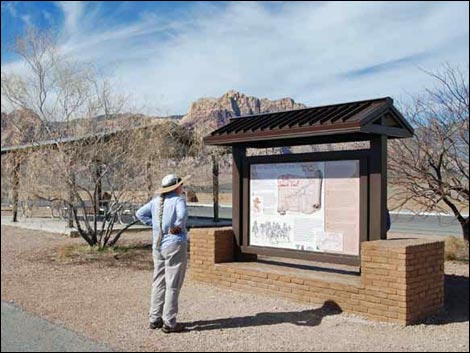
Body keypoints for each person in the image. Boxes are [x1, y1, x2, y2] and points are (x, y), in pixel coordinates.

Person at [136, 174, 190, 334]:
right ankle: (169, 322)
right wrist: (177, 227)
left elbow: (140, 213)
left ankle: (154, 318)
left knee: (158, 281)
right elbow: (182, 216)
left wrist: (155, 226)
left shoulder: (156, 201)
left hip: (157, 245)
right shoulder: (178, 200)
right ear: (176, 187)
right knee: (173, 283)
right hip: (174, 244)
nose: (182, 187)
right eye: (181, 185)